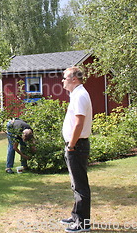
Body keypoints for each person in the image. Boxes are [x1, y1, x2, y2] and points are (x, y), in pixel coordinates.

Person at [60, 66, 93, 232]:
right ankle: (76, 216)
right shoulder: (76, 94)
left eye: (65, 78)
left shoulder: (80, 95)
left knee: (80, 185)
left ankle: (82, 224)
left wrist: (71, 145)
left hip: (77, 146)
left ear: (74, 79)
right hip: (75, 145)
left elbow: (79, 123)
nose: (62, 81)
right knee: (76, 184)